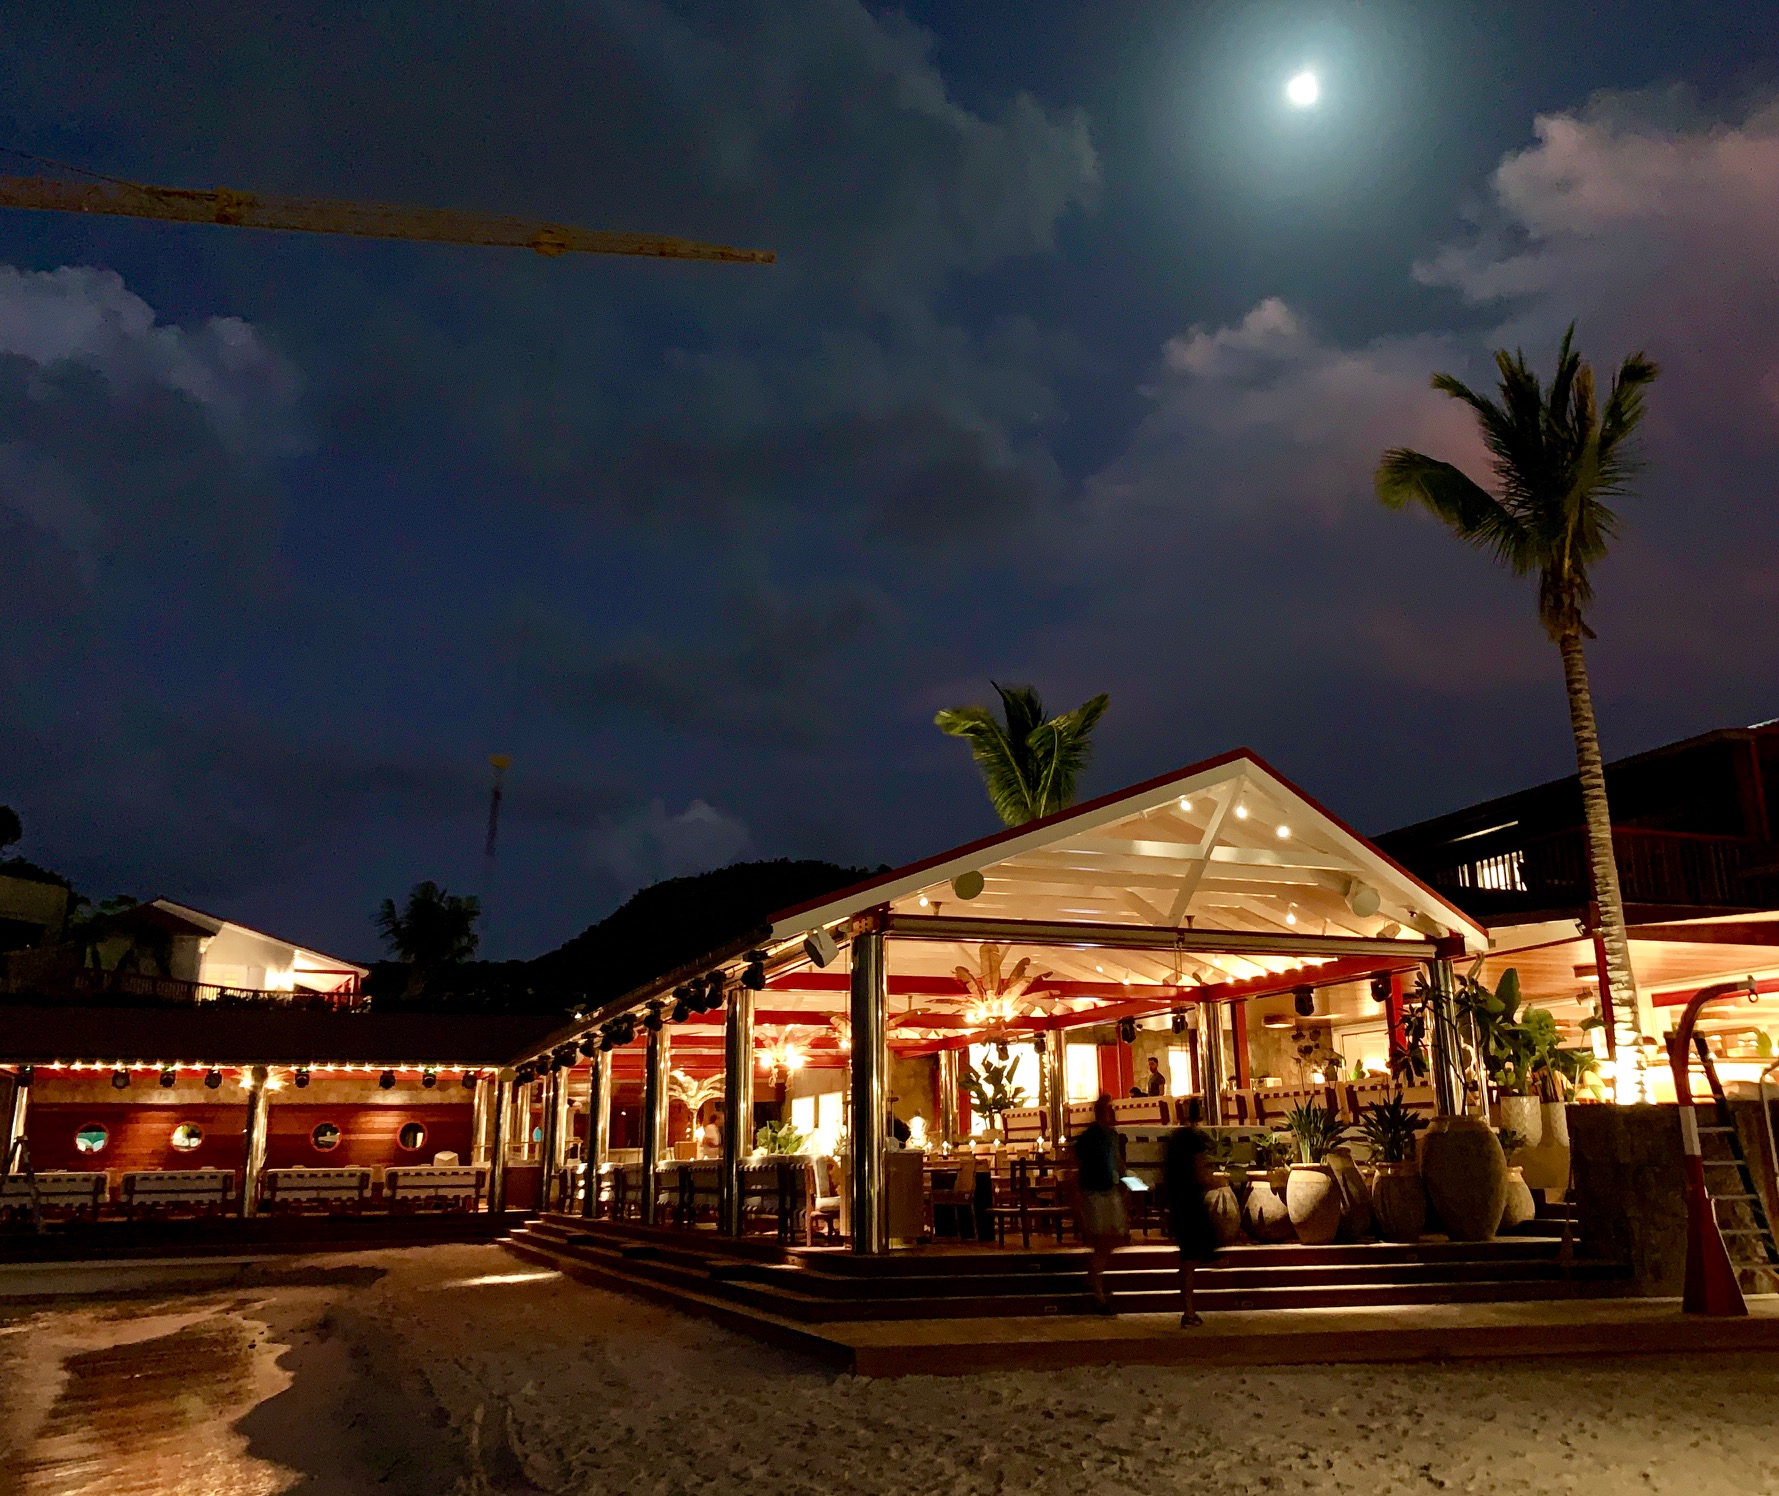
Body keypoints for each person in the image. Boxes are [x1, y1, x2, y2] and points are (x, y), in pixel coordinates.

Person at [1071, 1094, 1126, 1314]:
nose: (1113, 1113)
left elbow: (1118, 1163)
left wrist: (1127, 1184)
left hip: (1109, 1189)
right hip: (1093, 1190)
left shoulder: (1111, 1136)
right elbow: (1076, 1165)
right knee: (1103, 1238)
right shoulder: (1089, 1137)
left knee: (1113, 1236)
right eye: (1110, 1109)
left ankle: (1092, 1276)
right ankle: (1098, 1293)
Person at [1164, 1121, 1218, 1327]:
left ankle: (1188, 1308)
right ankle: (1188, 1309)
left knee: (1188, 1261)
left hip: (1179, 1204)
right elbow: (1199, 1171)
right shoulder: (1190, 1142)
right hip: (1190, 1206)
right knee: (1190, 1261)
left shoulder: (1176, 1143)